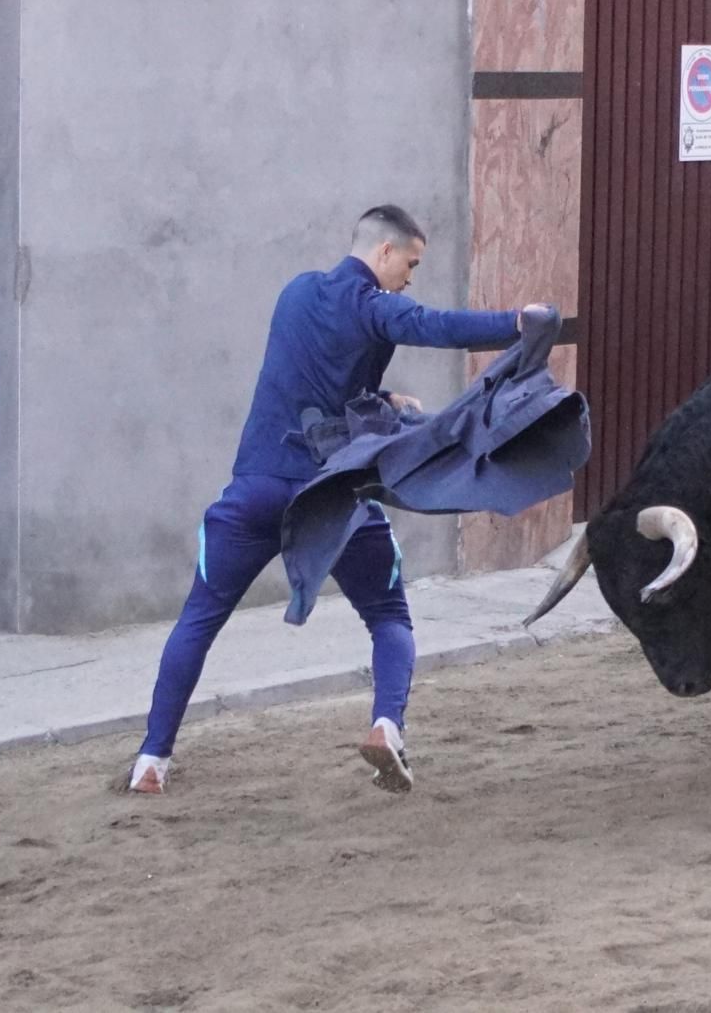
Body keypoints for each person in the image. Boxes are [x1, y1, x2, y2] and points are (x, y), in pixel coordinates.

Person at [126, 205, 536, 795]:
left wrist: (382, 396)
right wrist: (516, 323)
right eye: (410, 264)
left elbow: (315, 380)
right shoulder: (375, 307)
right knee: (390, 618)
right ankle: (387, 725)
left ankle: (151, 760)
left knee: (198, 620)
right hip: (332, 496)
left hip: (255, 491)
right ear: (385, 253)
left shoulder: (293, 295)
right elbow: (436, 326)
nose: (409, 279)